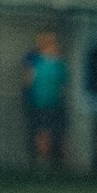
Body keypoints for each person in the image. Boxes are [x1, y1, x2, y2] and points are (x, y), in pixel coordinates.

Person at [23, 31, 68, 171]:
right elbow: (28, 82)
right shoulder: (35, 62)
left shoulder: (59, 64)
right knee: (40, 132)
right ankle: (40, 160)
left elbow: (63, 84)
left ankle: (56, 162)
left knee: (56, 132)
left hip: (55, 104)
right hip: (38, 104)